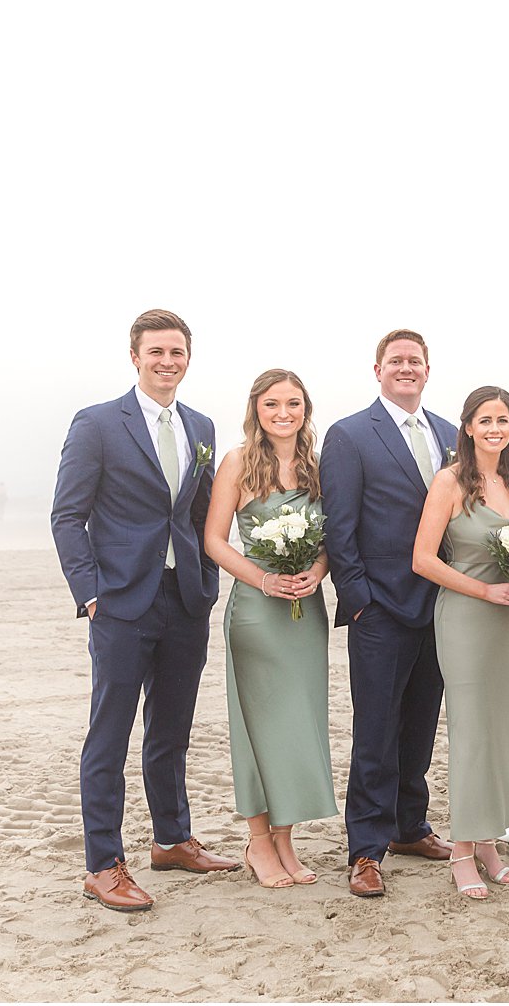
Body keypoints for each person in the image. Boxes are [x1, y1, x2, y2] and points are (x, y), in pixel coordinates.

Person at [50, 309, 237, 912]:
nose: (167, 362)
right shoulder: (99, 423)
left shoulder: (202, 426)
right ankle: (103, 864)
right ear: (135, 356)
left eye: (176, 352)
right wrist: (91, 593)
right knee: (109, 734)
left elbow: (204, 513)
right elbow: (66, 516)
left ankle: (172, 839)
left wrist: (206, 582)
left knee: (172, 731)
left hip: (184, 601)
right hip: (121, 602)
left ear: (188, 357)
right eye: (155, 352)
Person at [319, 330, 458, 898]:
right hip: (379, 606)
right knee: (375, 729)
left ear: (428, 370)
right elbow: (340, 526)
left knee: (422, 721)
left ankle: (409, 825)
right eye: (396, 361)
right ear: (378, 368)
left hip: (442, 606)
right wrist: (359, 601)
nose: (406, 368)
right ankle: (366, 848)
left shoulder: (451, 434)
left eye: (415, 361)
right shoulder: (350, 435)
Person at [204, 369, 338, 889]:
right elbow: (215, 541)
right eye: (272, 404)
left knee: (299, 724)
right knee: (258, 724)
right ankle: (259, 842)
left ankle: (285, 838)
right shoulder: (239, 462)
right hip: (257, 612)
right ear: (255, 409)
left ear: (306, 409)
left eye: (294, 404)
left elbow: (330, 538)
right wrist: (263, 579)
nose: (284, 413)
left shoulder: (316, 466)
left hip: (306, 612)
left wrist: (318, 572)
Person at [411, 386, 509, 900]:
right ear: (467, 427)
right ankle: (462, 849)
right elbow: (423, 558)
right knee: (469, 731)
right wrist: (485, 588)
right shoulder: (449, 482)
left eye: (503, 419)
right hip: (465, 616)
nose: (494, 428)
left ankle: (488, 842)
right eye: (484, 419)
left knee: (500, 730)